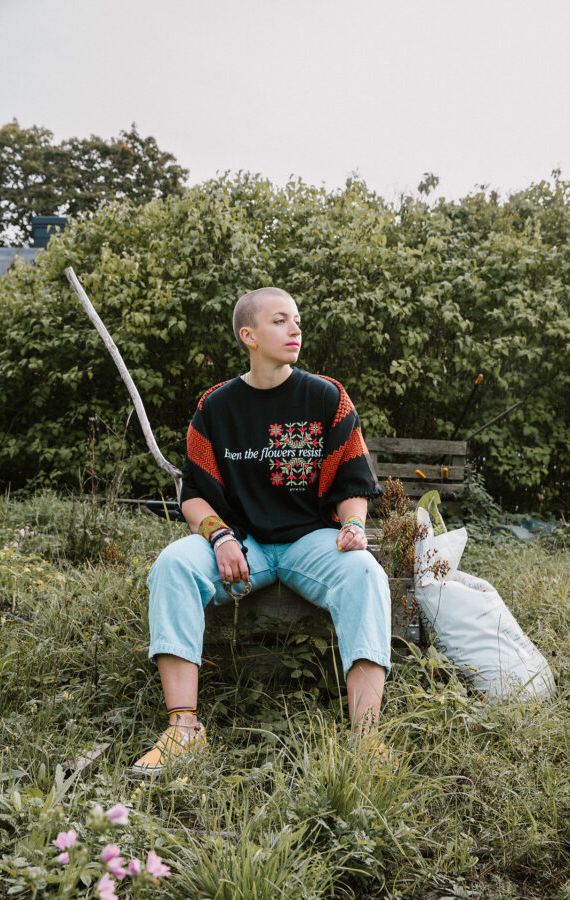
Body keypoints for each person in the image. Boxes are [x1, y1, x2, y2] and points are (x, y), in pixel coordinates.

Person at [132, 287, 392, 776]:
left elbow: (353, 481)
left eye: (296, 319)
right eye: (280, 321)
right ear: (249, 336)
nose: (295, 329)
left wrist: (354, 525)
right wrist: (220, 536)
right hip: (242, 543)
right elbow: (193, 495)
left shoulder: (326, 397)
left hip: (309, 540)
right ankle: (183, 730)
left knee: (365, 574)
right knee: (171, 565)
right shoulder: (216, 407)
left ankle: (366, 736)